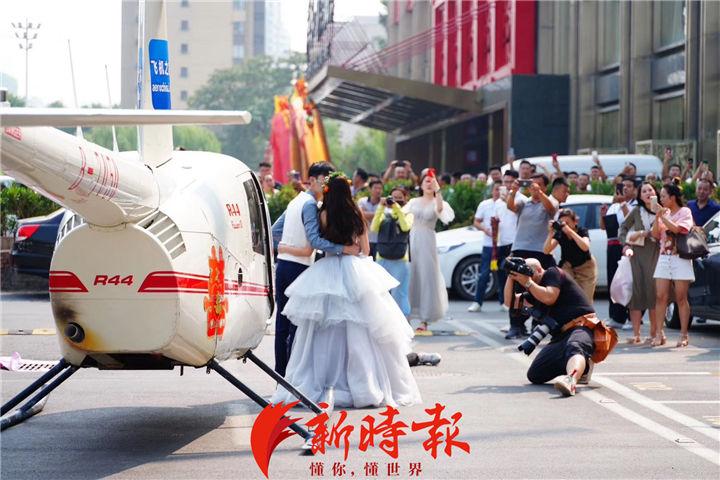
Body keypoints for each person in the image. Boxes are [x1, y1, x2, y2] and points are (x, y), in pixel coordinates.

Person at [271, 173, 422, 409]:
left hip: (327, 268)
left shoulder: (323, 214)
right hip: (356, 269)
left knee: (322, 331)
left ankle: (324, 381)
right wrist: (352, 250)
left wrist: (337, 249)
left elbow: (318, 244)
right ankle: (363, 384)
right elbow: (365, 248)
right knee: (360, 330)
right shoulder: (356, 214)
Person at [270, 163, 360, 376]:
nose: (326, 184)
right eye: (323, 179)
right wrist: (344, 248)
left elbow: (274, 230)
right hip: (298, 269)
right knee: (296, 326)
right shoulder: (310, 204)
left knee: (283, 325)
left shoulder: (296, 200)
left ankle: (280, 375)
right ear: (312, 180)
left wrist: (284, 247)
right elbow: (315, 240)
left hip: (283, 265)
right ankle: (291, 377)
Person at [506, 258, 599, 397]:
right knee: (535, 374)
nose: (527, 279)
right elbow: (510, 302)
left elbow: (550, 297)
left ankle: (571, 379)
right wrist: (511, 276)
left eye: (529, 274)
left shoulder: (552, 273)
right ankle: (582, 366)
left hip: (580, 326)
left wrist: (528, 282)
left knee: (574, 346)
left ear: (538, 270)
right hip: (560, 335)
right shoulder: (534, 290)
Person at [505, 173, 558, 339]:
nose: (534, 187)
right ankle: (516, 325)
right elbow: (511, 206)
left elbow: (551, 209)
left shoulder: (549, 201)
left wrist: (540, 194)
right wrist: (513, 191)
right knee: (516, 287)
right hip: (520, 249)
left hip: (540, 252)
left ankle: (538, 323)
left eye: (538, 184)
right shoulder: (524, 202)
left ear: (544, 187)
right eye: (532, 184)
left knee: (539, 288)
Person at [406, 169, 455, 331]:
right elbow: (400, 216)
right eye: (426, 181)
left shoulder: (437, 201)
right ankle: (408, 315)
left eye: (431, 181)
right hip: (412, 240)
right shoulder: (413, 202)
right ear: (420, 184)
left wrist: (438, 190)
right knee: (411, 276)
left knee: (427, 277)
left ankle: (424, 319)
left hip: (427, 241)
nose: (429, 184)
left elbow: (440, 211)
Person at [651, 181, 695, 348]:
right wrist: (658, 217)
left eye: (663, 196)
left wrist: (663, 216)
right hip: (664, 256)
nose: (661, 199)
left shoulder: (685, 211)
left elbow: (679, 230)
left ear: (672, 197)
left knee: (681, 297)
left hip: (681, 257)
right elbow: (655, 234)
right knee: (660, 296)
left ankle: (684, 334)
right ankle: (659, 333)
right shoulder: (664, 212)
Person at [619, 182, 660, 344]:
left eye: (650, 190)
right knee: (636, 294)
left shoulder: (662, 211)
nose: (648, 193)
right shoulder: (636, 211)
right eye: (644, 191)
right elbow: (622, 228)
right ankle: (636, 334)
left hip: (656, 255)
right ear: (640, 195)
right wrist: (626, 243)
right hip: (637, 255)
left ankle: (654, 332)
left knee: (654, 294)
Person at [468, 181, 516, 312]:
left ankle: (504, 302)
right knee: (484, 274)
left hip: (503, 244)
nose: (498, 192)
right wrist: (486, 230)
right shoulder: (484, 204)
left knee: (503, 273)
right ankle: (477, 301)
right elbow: (476, 221)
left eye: (501, 190)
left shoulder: (507, 204)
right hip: (489, 244)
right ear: (492, 190)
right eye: (496, 189)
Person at [601, 176, 637, 329]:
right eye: (624, 186)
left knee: (627, 281)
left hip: (627, 245)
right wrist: (602, 214)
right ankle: (615, 316)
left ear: (635, 189)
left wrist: (623, 204)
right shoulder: (613, 206)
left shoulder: (635, 205)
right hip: (612, 246)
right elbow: (603, 227)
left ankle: (630, 317)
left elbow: (632, 222)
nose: (626, 189)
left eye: (629, 186)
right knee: (613, 281)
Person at [544, 209, 597, 302]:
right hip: (568, 267)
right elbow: (546, 250)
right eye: (562, 223)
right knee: (568, 296)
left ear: (575, 221)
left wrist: (570, 232)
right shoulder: (560, 233)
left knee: (586, 299)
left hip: (586, 267)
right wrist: (550, 233)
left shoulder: (582, 231)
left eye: (567, 223)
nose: (564, 225)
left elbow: (585, 247)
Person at [358, 179, 383, 258]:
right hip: (364, 240)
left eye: (380, 188)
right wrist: (378, 214)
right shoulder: (362, 201)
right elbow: (360, 215)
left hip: (379, 240)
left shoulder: (384, 203)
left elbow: (383, 217)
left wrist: (366, 213)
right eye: (375, 188)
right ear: (370, 189)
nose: (378, 190)